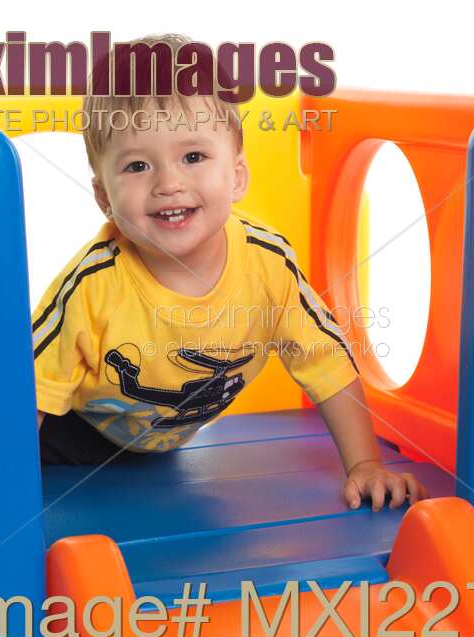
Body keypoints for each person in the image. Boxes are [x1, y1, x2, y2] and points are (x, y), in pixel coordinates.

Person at [33, 33, 428, 511]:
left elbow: (326, 361)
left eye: (193, 157)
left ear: (237, 175)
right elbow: (27, 392)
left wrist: (364, 465)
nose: (169, 183)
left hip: (162, 441)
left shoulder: (267, 263)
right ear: (104, 199)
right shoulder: (91, 287)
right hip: (69, 433)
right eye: (137, 165)